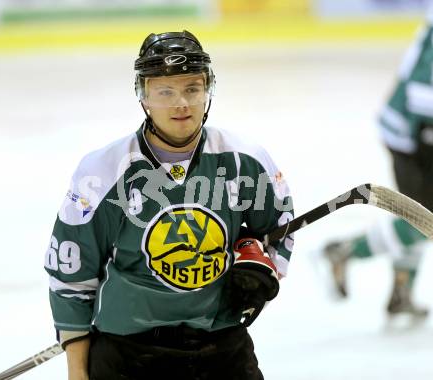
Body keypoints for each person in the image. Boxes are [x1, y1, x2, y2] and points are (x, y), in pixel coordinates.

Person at [44, 30, 294, 380]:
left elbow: (279, 229)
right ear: (143, 96)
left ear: (208, 90)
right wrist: (77, 372)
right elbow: (71, 276)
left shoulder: (244, 161)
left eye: (192, 88)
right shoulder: (102, 173)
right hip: (127, 353)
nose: (181, 104)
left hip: (221, 344)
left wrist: (260, 263)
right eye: (165, 91)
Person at [323, 10, 433, 319]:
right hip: (412, 134)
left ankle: (401, 290)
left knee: (420, 213)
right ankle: (346, 251)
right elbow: (423, 95)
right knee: (425, 217)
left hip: (415, 132)